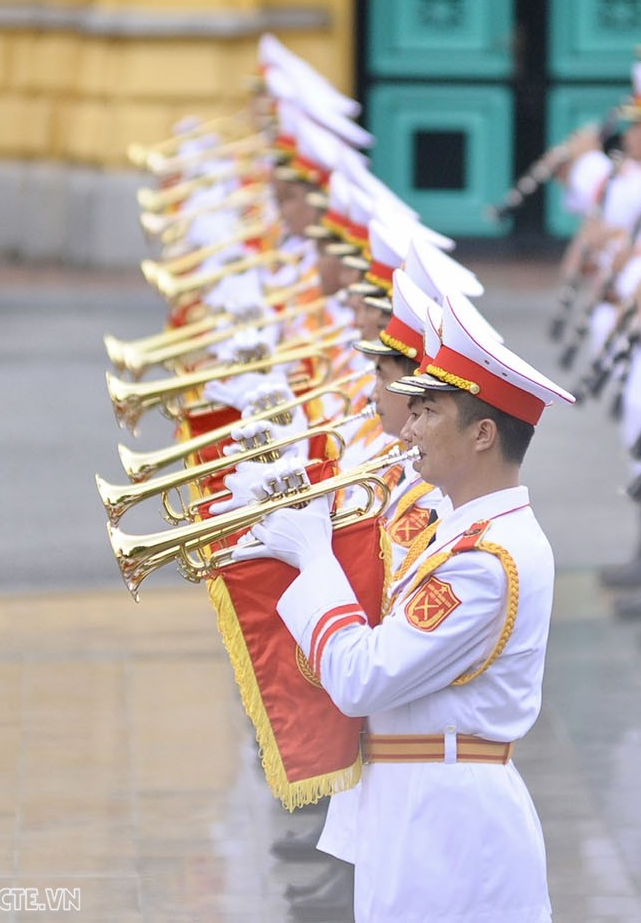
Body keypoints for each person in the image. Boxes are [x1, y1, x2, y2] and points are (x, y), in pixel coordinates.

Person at [237, 288, 574, 922]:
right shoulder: (459, 532)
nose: (408, 427)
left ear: (481, 434)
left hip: (448, 822)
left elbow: (364, 677)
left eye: (428, 412)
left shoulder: (486, 561)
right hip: (416, 802)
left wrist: (315, 559)